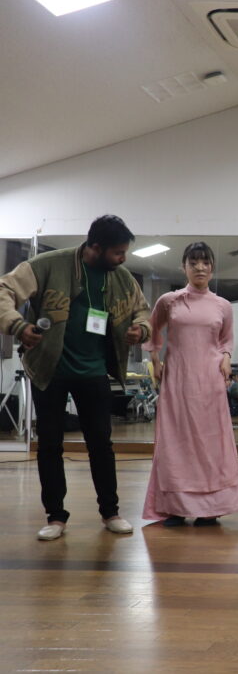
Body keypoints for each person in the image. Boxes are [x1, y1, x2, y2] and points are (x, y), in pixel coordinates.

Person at [0, 215, 150, 540]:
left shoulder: (122, 277)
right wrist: (17, 325)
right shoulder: (48, 265)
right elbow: (4, 290)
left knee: (101, 445)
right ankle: (56, 517)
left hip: (95, 372)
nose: (123, 258)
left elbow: (142, 310)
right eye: (118, 252)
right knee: (49, 445)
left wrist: (141, 328)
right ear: (95, 247)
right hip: (50, 371)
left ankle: (110, 512)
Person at [141, 242, 238, 527]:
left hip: (210, 381)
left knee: (211, 442)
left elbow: (226, 340)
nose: (200, 267)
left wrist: (226, 357)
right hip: (178, 379)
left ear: (212, 267)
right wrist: (155, 360)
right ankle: (175, 507)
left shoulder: (223, 305)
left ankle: (210, 509)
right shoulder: (169, 301)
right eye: (194, 262)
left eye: (205, 262)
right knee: (175, 441)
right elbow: (153, 330)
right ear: (183, 267)